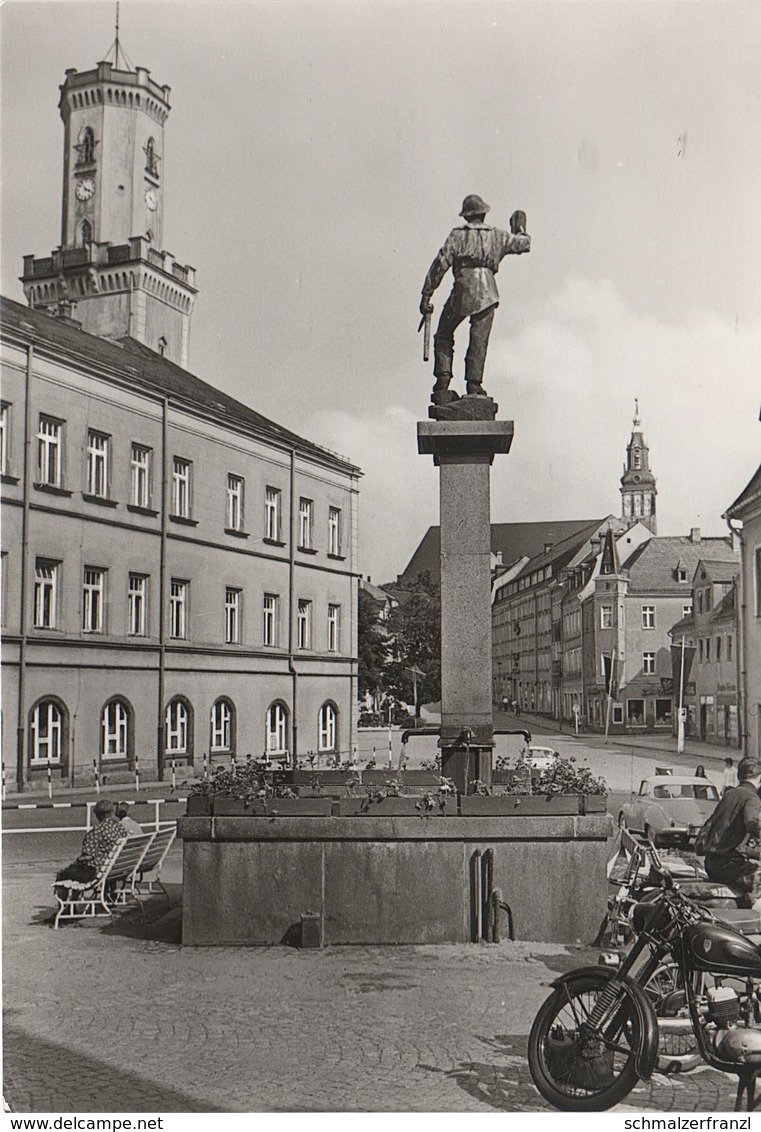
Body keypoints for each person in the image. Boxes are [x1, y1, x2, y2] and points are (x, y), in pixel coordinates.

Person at [419, 194, 530, 402]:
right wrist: (520, 226)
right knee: (479, 340)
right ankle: (474, 385)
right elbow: (524, 244)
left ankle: (442, 381)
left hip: (463, 288)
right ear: (483, 214)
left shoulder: (458, 235)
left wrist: (427, 294)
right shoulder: (497, 235)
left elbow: (440, 263)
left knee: (443, 334)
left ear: (466, 216)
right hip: (488, 290)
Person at [702, 757, 761, 908]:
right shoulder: (751, 797)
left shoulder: (730, 795)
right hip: (728, 865)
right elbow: (753, 824)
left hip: (712, 862)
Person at [54, 798, 126, 899]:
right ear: (112, 812)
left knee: (62, 875)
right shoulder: (121, 828)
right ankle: (72, 904)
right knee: (75, 871)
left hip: (96, 871)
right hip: (115, 868)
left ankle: (66, 907)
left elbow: (87, 855)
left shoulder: (97, 831)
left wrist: (77, 861)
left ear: (98, 815)